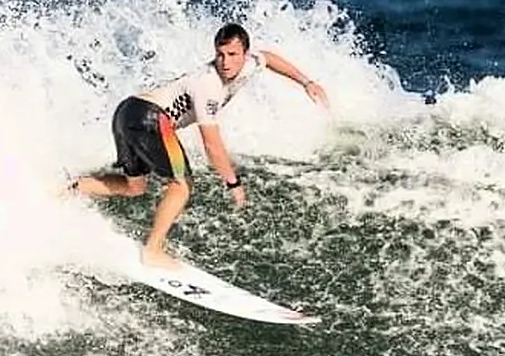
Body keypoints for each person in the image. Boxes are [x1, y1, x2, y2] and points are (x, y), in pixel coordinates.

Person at [64, 23, 329, 269]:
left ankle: (71, 188)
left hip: (126, 112)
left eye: (232, 54)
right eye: (220, 54)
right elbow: (212, 145)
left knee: (135, 186)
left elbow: (269, 58)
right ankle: (153, 251)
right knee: (181, 186)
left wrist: (307, 82)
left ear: (245, 54)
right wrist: (233, 184)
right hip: (150, 118)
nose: (225, 62)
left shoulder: (251, 63)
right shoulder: (208, 84)